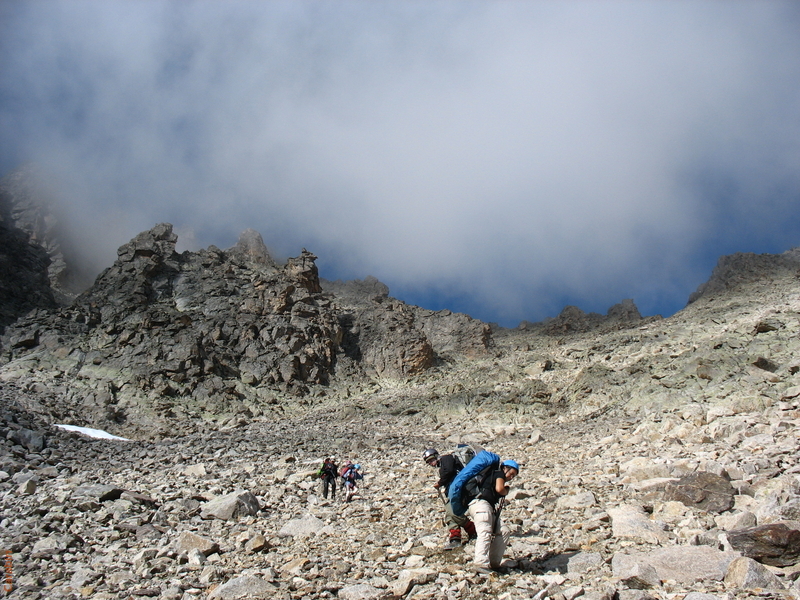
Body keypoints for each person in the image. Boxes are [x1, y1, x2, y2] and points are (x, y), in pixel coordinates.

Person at [467, 459, 519, 573]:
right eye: (511, 473)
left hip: (485, 507)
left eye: (514, 476)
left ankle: (493, 564)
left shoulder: (494, 475)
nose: (511, 477)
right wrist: (506, 491)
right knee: (485, 531)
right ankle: (480, 563)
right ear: (505, 468)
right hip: (481, 504)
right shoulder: (499, 473)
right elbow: (499, 489)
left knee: (504, 531)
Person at [423, 448, 478, 550]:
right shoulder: (443, 464)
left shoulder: (446, 458)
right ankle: (455, 539)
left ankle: (473, 531)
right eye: (428, 462)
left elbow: (449, 471)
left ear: (436, 456)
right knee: (449, 515)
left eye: (431, 460)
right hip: (455, 491)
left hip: (461, 490)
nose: (430, 463)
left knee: (453, 513)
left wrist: (440, 483)